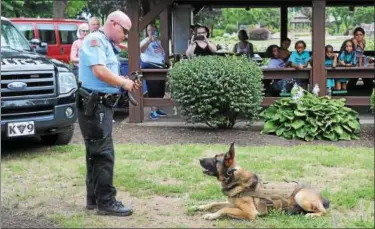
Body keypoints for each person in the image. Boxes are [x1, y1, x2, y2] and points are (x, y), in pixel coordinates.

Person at [77, 10, 141, 216]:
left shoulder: (106, 44)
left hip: (99, 105)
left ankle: (94, 199)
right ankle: (106, 203)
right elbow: (99, 71)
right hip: (95, 106)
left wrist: (123, 81)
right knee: (103, 154)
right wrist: (124, 82)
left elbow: (106, 74)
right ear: (113, 23)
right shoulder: (95, 40)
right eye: (125, 30)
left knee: (94, 154)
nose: (126, 35)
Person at [140, 24, 169, 120]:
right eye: (149, 30)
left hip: (160, 67)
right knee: (153, 89)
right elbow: (141, 49)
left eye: (154, 30)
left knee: (160, 90)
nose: (152, 32)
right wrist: (149, 40)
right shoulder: (145, 41)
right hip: (150, 67)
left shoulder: (158, 42)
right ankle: (152, 111)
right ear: (147, 32)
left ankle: (157, 108)